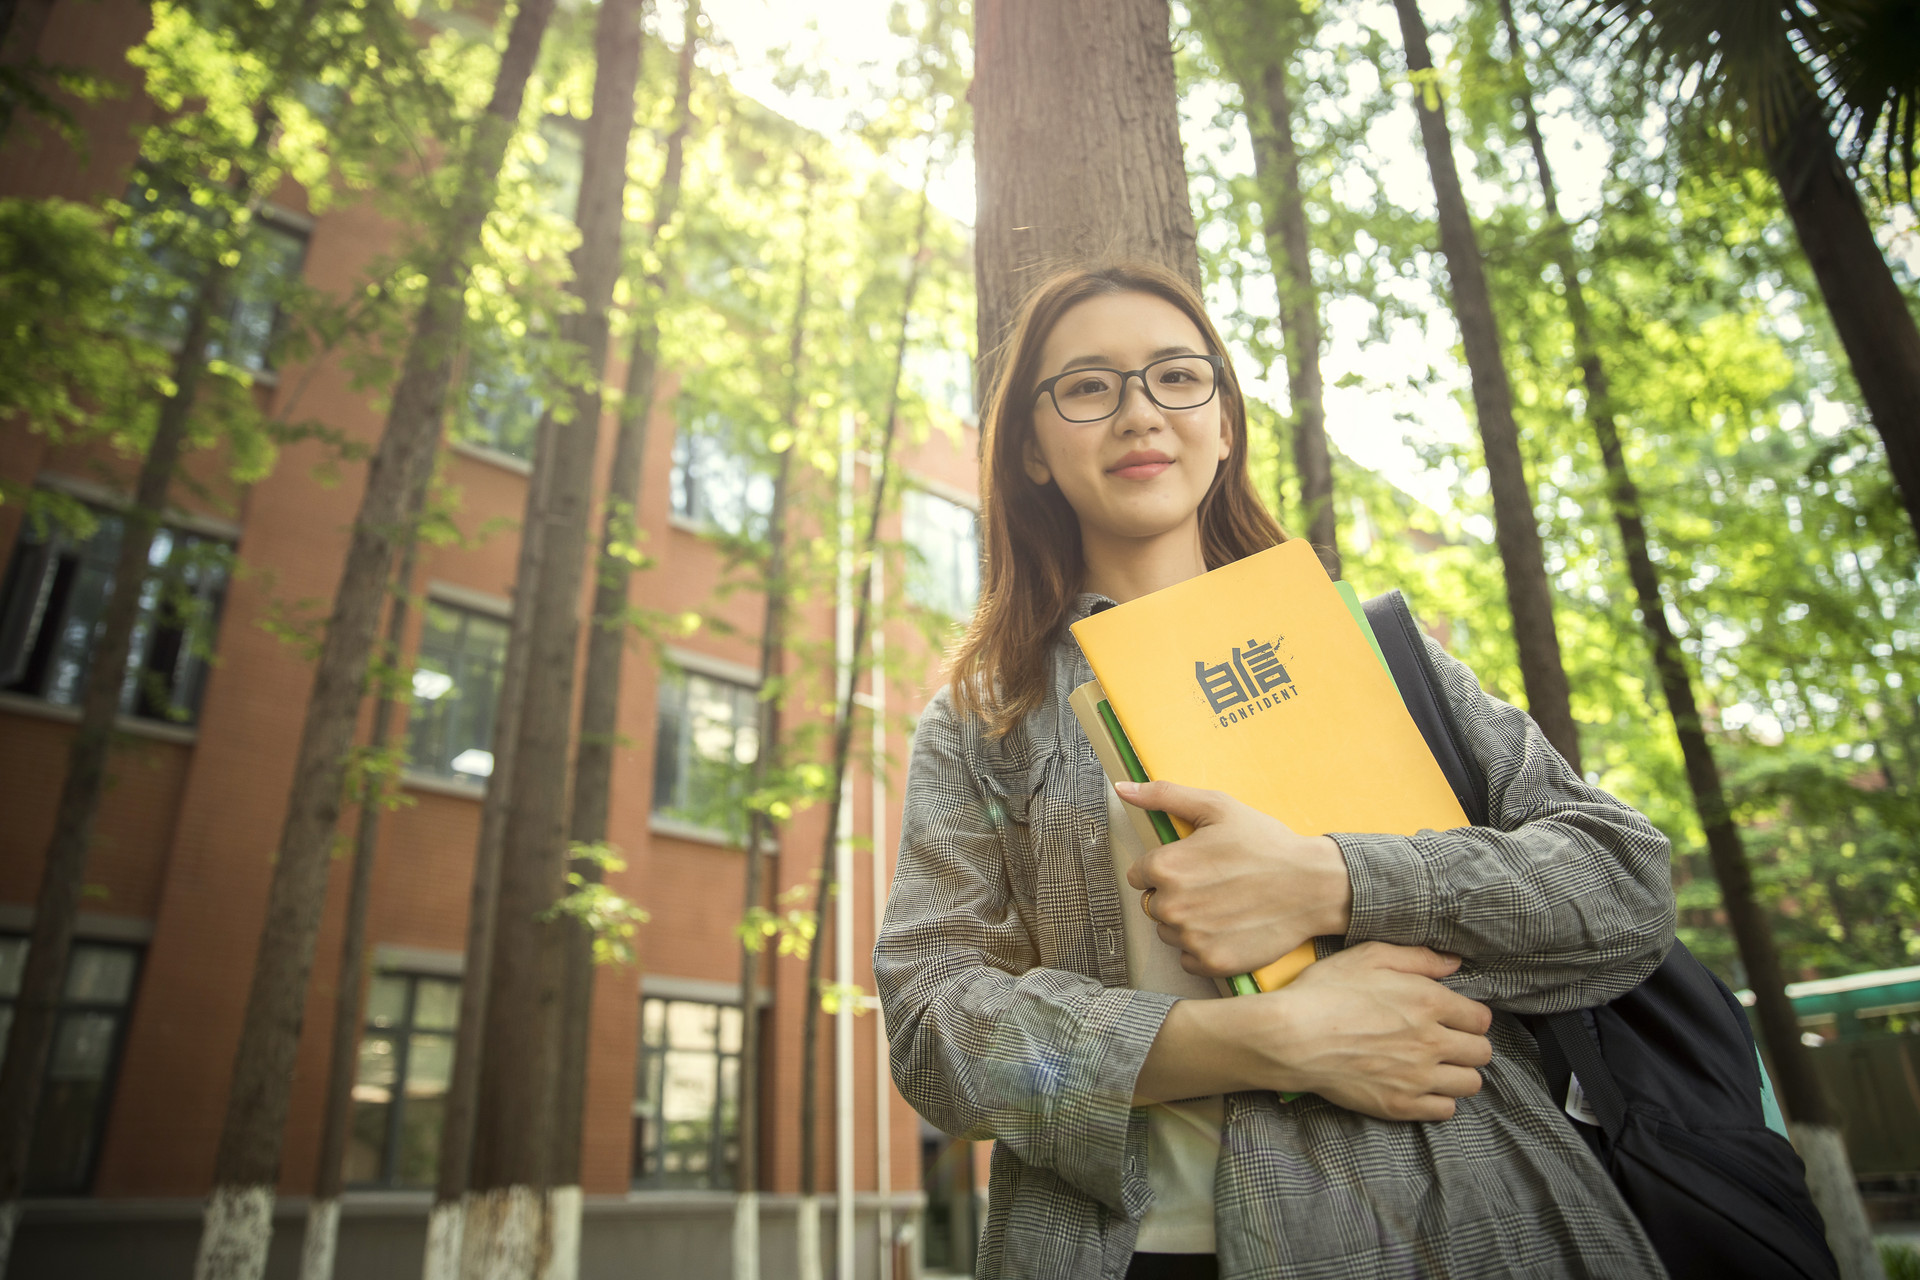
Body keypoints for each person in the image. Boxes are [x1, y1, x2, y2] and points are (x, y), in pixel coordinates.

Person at [873, 261, 1678, 1280]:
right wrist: (1267, 1037)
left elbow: (1626, 884)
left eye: (1176, 376)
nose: (1138, 413)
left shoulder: (1375, 650)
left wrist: (1330, 876)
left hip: (1463, 1223)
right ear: (1031, 447)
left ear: (1223, 420)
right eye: (1087, 386)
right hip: (1118, 1250)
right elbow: (934, 1021)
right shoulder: (986, 717)